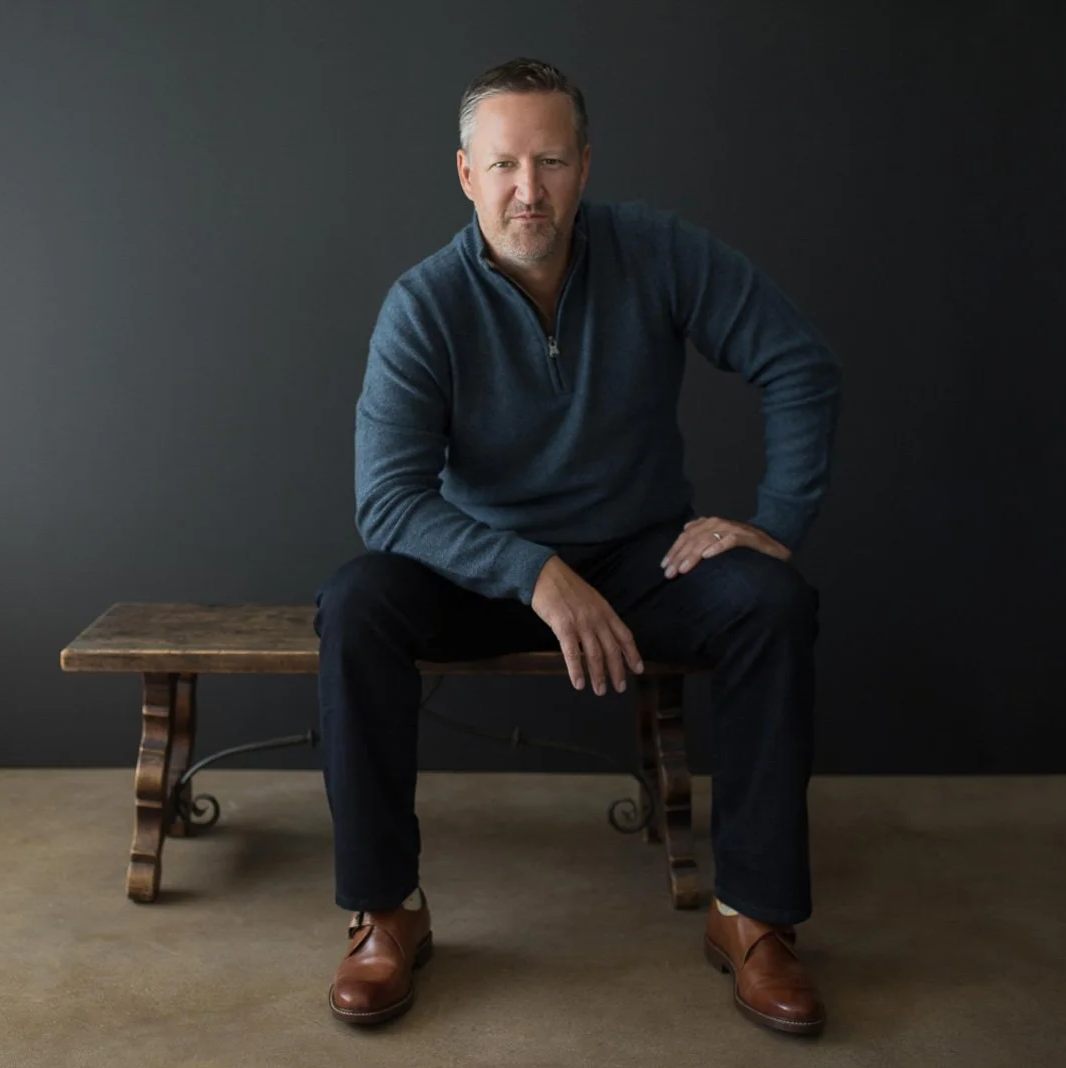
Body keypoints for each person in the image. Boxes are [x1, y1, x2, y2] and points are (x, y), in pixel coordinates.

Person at [311, 57, 843, 1036]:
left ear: (584, 166)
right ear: (465, 173)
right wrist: (532, 572)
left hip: (642, 555)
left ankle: (753, 916)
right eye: (504, 164)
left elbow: (798, 364)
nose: (528, 189)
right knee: (356, 601)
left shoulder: (657, 251)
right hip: (482, 568)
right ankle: (385, 910)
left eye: (549, 161)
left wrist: (772, 523)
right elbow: (386, 502)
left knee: (774, 599)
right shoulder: (423, 304)